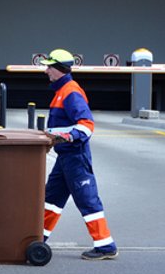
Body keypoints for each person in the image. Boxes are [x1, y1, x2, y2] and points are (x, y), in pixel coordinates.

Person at [39, 49, 117, 260]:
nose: (46, 71)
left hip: (75, 157)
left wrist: (68, 136)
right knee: (51, 199)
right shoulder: (62, 91)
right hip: (65, 157)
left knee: (87, 200)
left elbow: (86, 125)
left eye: (49, 67)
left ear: (59, 69)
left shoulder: (71, 92)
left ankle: (105, 246)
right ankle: (38, 238)